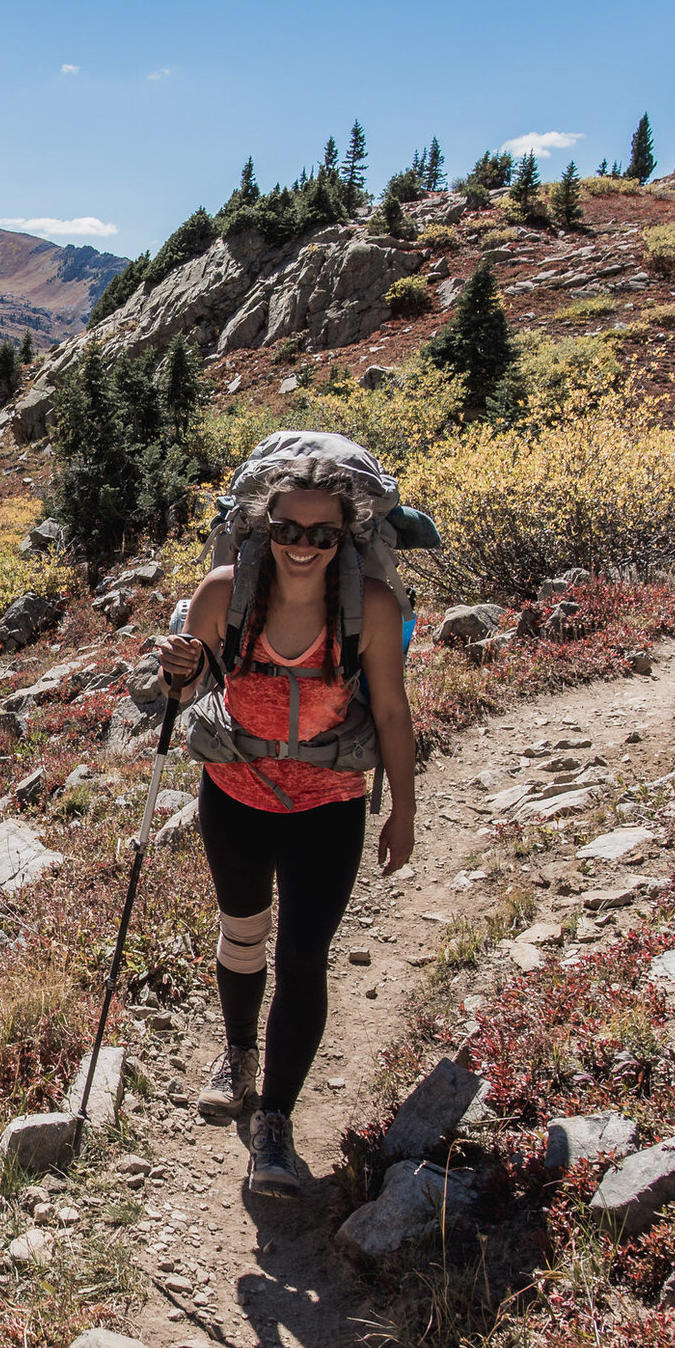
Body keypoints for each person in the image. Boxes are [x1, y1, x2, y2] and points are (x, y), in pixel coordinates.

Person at [159, 464, 417, 1197]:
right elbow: (188, 688)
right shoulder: (222, 594)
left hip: (329, 802)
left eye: (321, 533)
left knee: (304, 956)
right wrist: (178, 668)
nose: (303, 545)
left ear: (345, 537)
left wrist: (405, 806)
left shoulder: (368, 603)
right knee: (243, 934)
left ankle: (274, 1118)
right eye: (287, 530)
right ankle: (239, 1054)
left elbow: (393, 712)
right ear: (265, 527)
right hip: (235, 793)